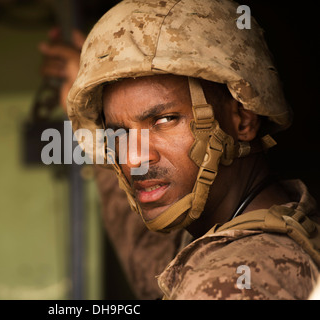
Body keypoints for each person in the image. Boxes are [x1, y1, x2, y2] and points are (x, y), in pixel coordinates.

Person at [41, 0, 320, 299]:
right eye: (118, 133)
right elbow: (156, 267)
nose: (134, 158)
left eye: (164, 120)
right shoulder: (286, 228)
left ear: (243, 119)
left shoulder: (226, 285)